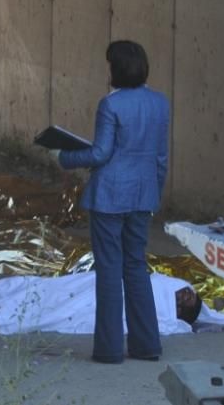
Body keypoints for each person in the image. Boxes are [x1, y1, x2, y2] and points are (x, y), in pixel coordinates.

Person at [55, 41, 170, 363]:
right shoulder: (160, 103)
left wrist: (63, 157)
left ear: (115, 69)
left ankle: (108, 349)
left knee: (109, 269)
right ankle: (147, 345)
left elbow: (100, 153)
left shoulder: (111, 104)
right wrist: (154, 194)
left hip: (109, 195)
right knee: (136, 266)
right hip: (143, 194)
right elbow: (161, 157)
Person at [0, 271, 224, 336]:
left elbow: (165, 326)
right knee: (14, 292)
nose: (185, 293)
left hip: (75, 305)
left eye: (186, 300)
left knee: (1, 312)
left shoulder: (160, 315)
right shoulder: (149, 281)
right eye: (188, 290)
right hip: (73, 287)